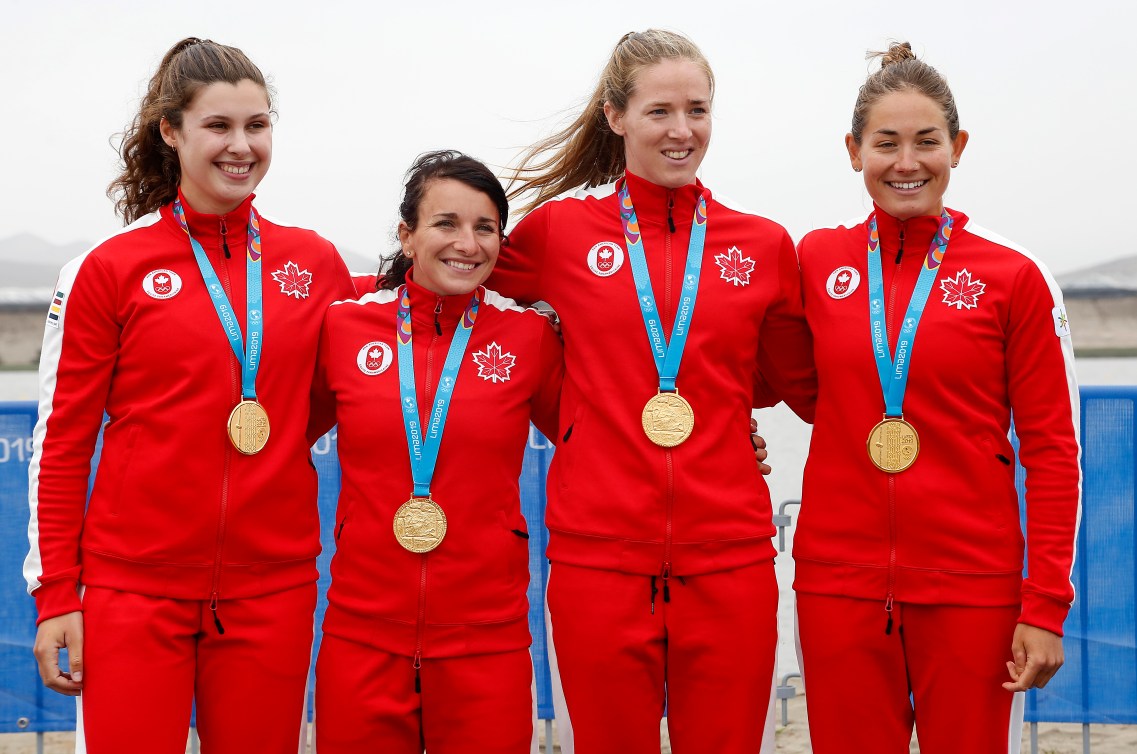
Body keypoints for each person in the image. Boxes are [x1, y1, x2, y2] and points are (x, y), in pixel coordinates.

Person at [23, 38, 356, 753]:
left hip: (272, 590)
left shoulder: (315, 263)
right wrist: (56, 595)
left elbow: (337, 395)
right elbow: (63, 441)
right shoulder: (108, 269)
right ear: (170, 131)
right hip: (133, 593)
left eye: (257, 126)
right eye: (219, 126)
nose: (241, 146)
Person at [490, 29, 815, 754]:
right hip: (595, 557)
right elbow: (450, 283)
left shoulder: (761, 244)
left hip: (728, 555)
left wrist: (726, 417)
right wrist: (565, 404)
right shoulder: (559, 234)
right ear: (615, 116)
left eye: (697, 111)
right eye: (659, 111)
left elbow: (800, 383)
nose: (681, 130)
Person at [792, 42, 1080, 753]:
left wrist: (1043, 605)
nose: (905, 162)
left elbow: (1051, 449)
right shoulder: (813, 261)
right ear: (852, 150)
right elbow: (763, 374)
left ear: (957, 146)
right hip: (838, 585)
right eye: (884, 143)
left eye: (926, 142)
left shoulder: (1012, 276)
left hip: (972, 588)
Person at [311, 150, 563, 753]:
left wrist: (735, 433)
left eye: (485, 227)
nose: (467, 244)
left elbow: (596, 437)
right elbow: (274, 431)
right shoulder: (344, 327)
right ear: (407, 235)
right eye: (445, 223)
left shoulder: (529, 337)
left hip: (487, 641)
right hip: (361, 635)